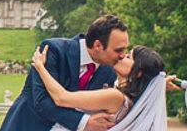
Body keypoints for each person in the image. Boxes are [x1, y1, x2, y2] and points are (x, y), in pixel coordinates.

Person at [0, 15, 129, 131]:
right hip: (30, 126)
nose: (123, 55)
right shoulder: (53, 50)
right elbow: (42, 101)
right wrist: (84, 122)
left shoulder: (109, 70)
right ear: (98, 46)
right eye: (118, 50)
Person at [33, 44, 173, 130]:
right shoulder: (131, 100)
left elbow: (62, 98)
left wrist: (40, 68)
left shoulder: (114, 97)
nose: (121, 56)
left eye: (129, 57)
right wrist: (161, 85)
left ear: (139, 72)